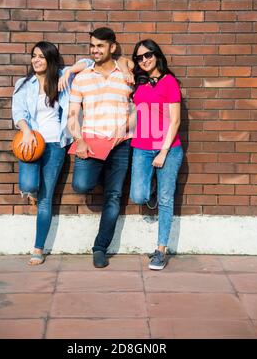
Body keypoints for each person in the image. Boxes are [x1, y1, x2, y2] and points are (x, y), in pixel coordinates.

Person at [12, 41, 93, 265]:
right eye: (34, 56)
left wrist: (70, 72)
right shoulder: (23, 84)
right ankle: (31, 190)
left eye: (41, 56)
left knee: (46, 199)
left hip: (56, 144)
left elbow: (89, 63)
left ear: (50, 59)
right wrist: (26, 131)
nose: (36, 60)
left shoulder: (62, 78)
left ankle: (38, 248)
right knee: (29, 185)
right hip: (30, 142)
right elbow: (17, 111)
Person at [67, 27, 133, 268]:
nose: (95, 50)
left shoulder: (126, 75)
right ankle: (102, 172)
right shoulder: (82, 77)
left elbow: (137, 108)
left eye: (100, 46)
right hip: (92, 142)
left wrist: (125, 127)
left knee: (114, 196)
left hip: (120, 145)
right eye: (92, 46)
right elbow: (73, 114)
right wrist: (79, 139)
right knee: (81, 185)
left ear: (112, 47)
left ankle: (100, 248)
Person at [129, 39, 183, 270]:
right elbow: (136, 114)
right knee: (138, 196)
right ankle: (151, 189)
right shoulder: (139, 83)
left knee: (165, 200)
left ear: (156, 55)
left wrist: (162, 151)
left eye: (148, 55)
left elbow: (176, 120)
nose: (144, 60)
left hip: (168, 149)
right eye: (139, 58)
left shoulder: (169, 82)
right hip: (141, 146)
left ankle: (161, 250)